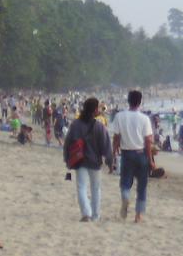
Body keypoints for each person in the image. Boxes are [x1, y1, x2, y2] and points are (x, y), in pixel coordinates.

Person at [63, 97, 114, 222]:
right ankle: (95, 215)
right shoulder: (100, 127)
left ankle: (86, 213)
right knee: (96, 189)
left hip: (79, 160)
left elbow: (68, 143)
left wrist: (67, 158)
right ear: (95, 110)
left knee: (81, 187)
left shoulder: (75, 124)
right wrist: (110, 161)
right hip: (95, 162)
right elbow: (106, 146)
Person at [111, 89, 156, 223]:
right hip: (141, 153)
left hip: (126, 153)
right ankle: (138, 216)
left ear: (128, 101)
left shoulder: (120, 116)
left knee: (125, 182)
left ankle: (125, 197)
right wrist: (150, 159)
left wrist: (114, 152)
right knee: (142, 185)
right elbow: (148, 141)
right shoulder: (144, 119)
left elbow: (116, 137)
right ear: (140, 101)